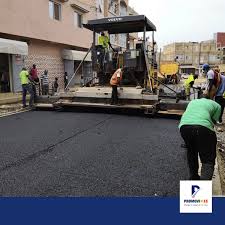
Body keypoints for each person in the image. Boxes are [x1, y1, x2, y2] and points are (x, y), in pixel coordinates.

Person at [179, 96, 221, 180]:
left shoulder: (193, 102)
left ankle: (193, 178)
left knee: (191, 152)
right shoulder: (217, 106)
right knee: (208, 159)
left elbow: (189, 113)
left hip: (184, 127)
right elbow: (213, 121)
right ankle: (202, 187)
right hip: (203, 128)